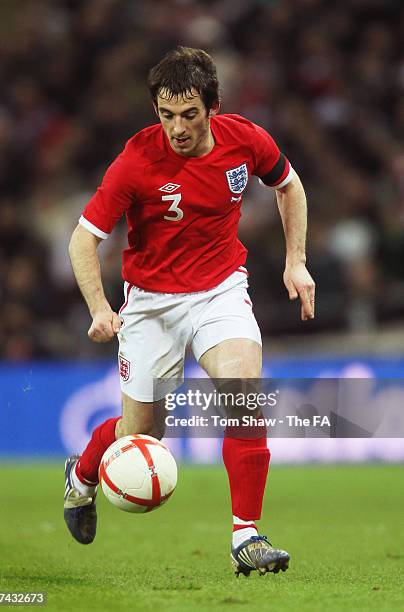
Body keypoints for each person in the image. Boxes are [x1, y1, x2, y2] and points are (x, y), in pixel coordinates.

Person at [64, 47, 315, 577]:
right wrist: (99, 307)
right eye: (165, 115)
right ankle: (81, 476)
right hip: (151, 305)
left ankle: (246, 535)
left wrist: (297, 261)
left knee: (245, 392)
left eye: (188, 115)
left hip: (220, 289)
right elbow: (82, 241)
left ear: (213, 107)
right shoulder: (136, 161)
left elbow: (288, 184)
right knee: (144, 435)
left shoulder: (246, 139)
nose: (176, 128)